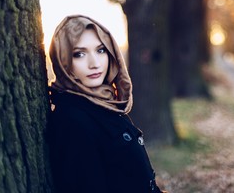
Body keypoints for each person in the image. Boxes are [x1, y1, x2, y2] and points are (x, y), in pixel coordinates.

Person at [47, 15, 165, 193]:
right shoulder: (72, 120)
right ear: (64, 62)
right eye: (79, 54)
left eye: (101, 50)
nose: (94, 63)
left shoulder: (103, 102)